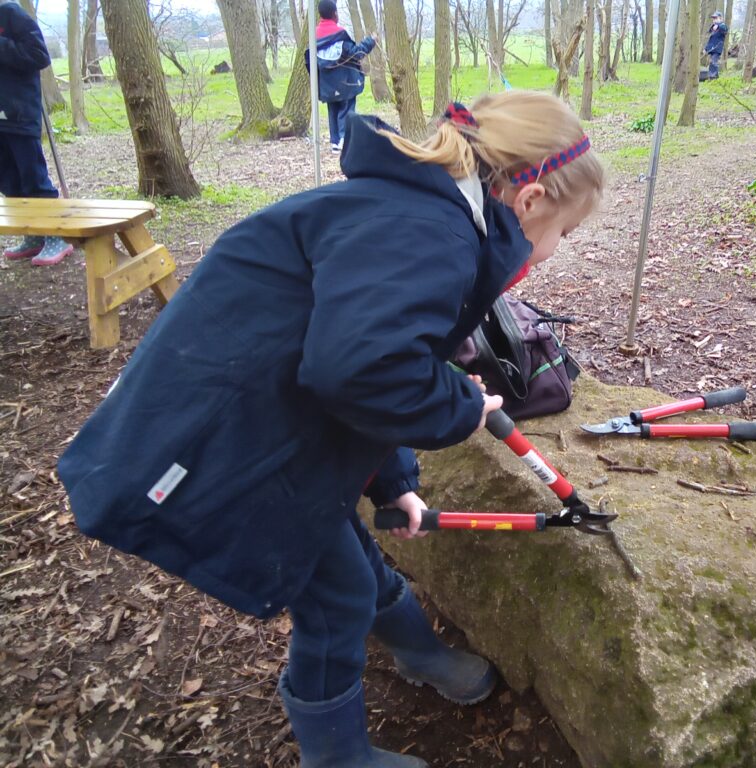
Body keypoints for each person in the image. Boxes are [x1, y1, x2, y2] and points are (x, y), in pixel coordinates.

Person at [57, 91, 604, 767]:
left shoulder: (422, 214)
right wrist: (461, 406)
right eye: (566, 233)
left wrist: (394, 479)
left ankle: (416, 649)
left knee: (344, 550)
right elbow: (361, 370)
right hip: (219, 444)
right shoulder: (430, 232)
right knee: (337, 599)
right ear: (532, 200)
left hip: (274, 421)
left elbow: (377, 362)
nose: (555, 251)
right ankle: (337, 755)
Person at [0, 0, 73, 266]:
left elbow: (38, 55)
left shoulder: (10, 13)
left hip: (19, 112)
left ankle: (57, 236)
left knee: (32, 177)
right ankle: (32, 233)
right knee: (8, 181)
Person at [313, 0, 376, 153]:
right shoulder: (339, 34)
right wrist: (371, 41)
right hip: (345, 82)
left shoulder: (314, 35)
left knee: (333, 110)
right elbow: (356, 53)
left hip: (326, 84)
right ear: (335, 14)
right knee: (346, 110)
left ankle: (335, 142)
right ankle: (344, 140)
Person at [704, 11, 728, 81]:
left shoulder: (722, 26)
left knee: (713, 62)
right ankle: (715, 77)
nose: (714, 20)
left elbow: (725, 29)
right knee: (712, 62)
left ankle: (712, 77)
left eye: (716, 18)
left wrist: (718, 25)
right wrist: (706, 49)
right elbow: (711, 40)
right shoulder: (713, 28)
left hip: (717, 48)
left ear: (721, 18)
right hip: (712, 48)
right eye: (713, 19)